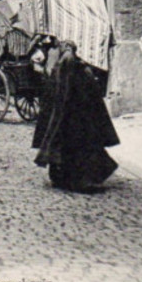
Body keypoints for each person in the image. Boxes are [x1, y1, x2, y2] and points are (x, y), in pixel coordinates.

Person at [34, 40, 120, 191]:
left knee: (70, 147)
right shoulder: (70, 63)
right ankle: (76, 181)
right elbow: (66, 91)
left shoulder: (66, 63)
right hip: (72, 115)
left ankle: (65, 178)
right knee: (77, 148)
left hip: (72, 115)